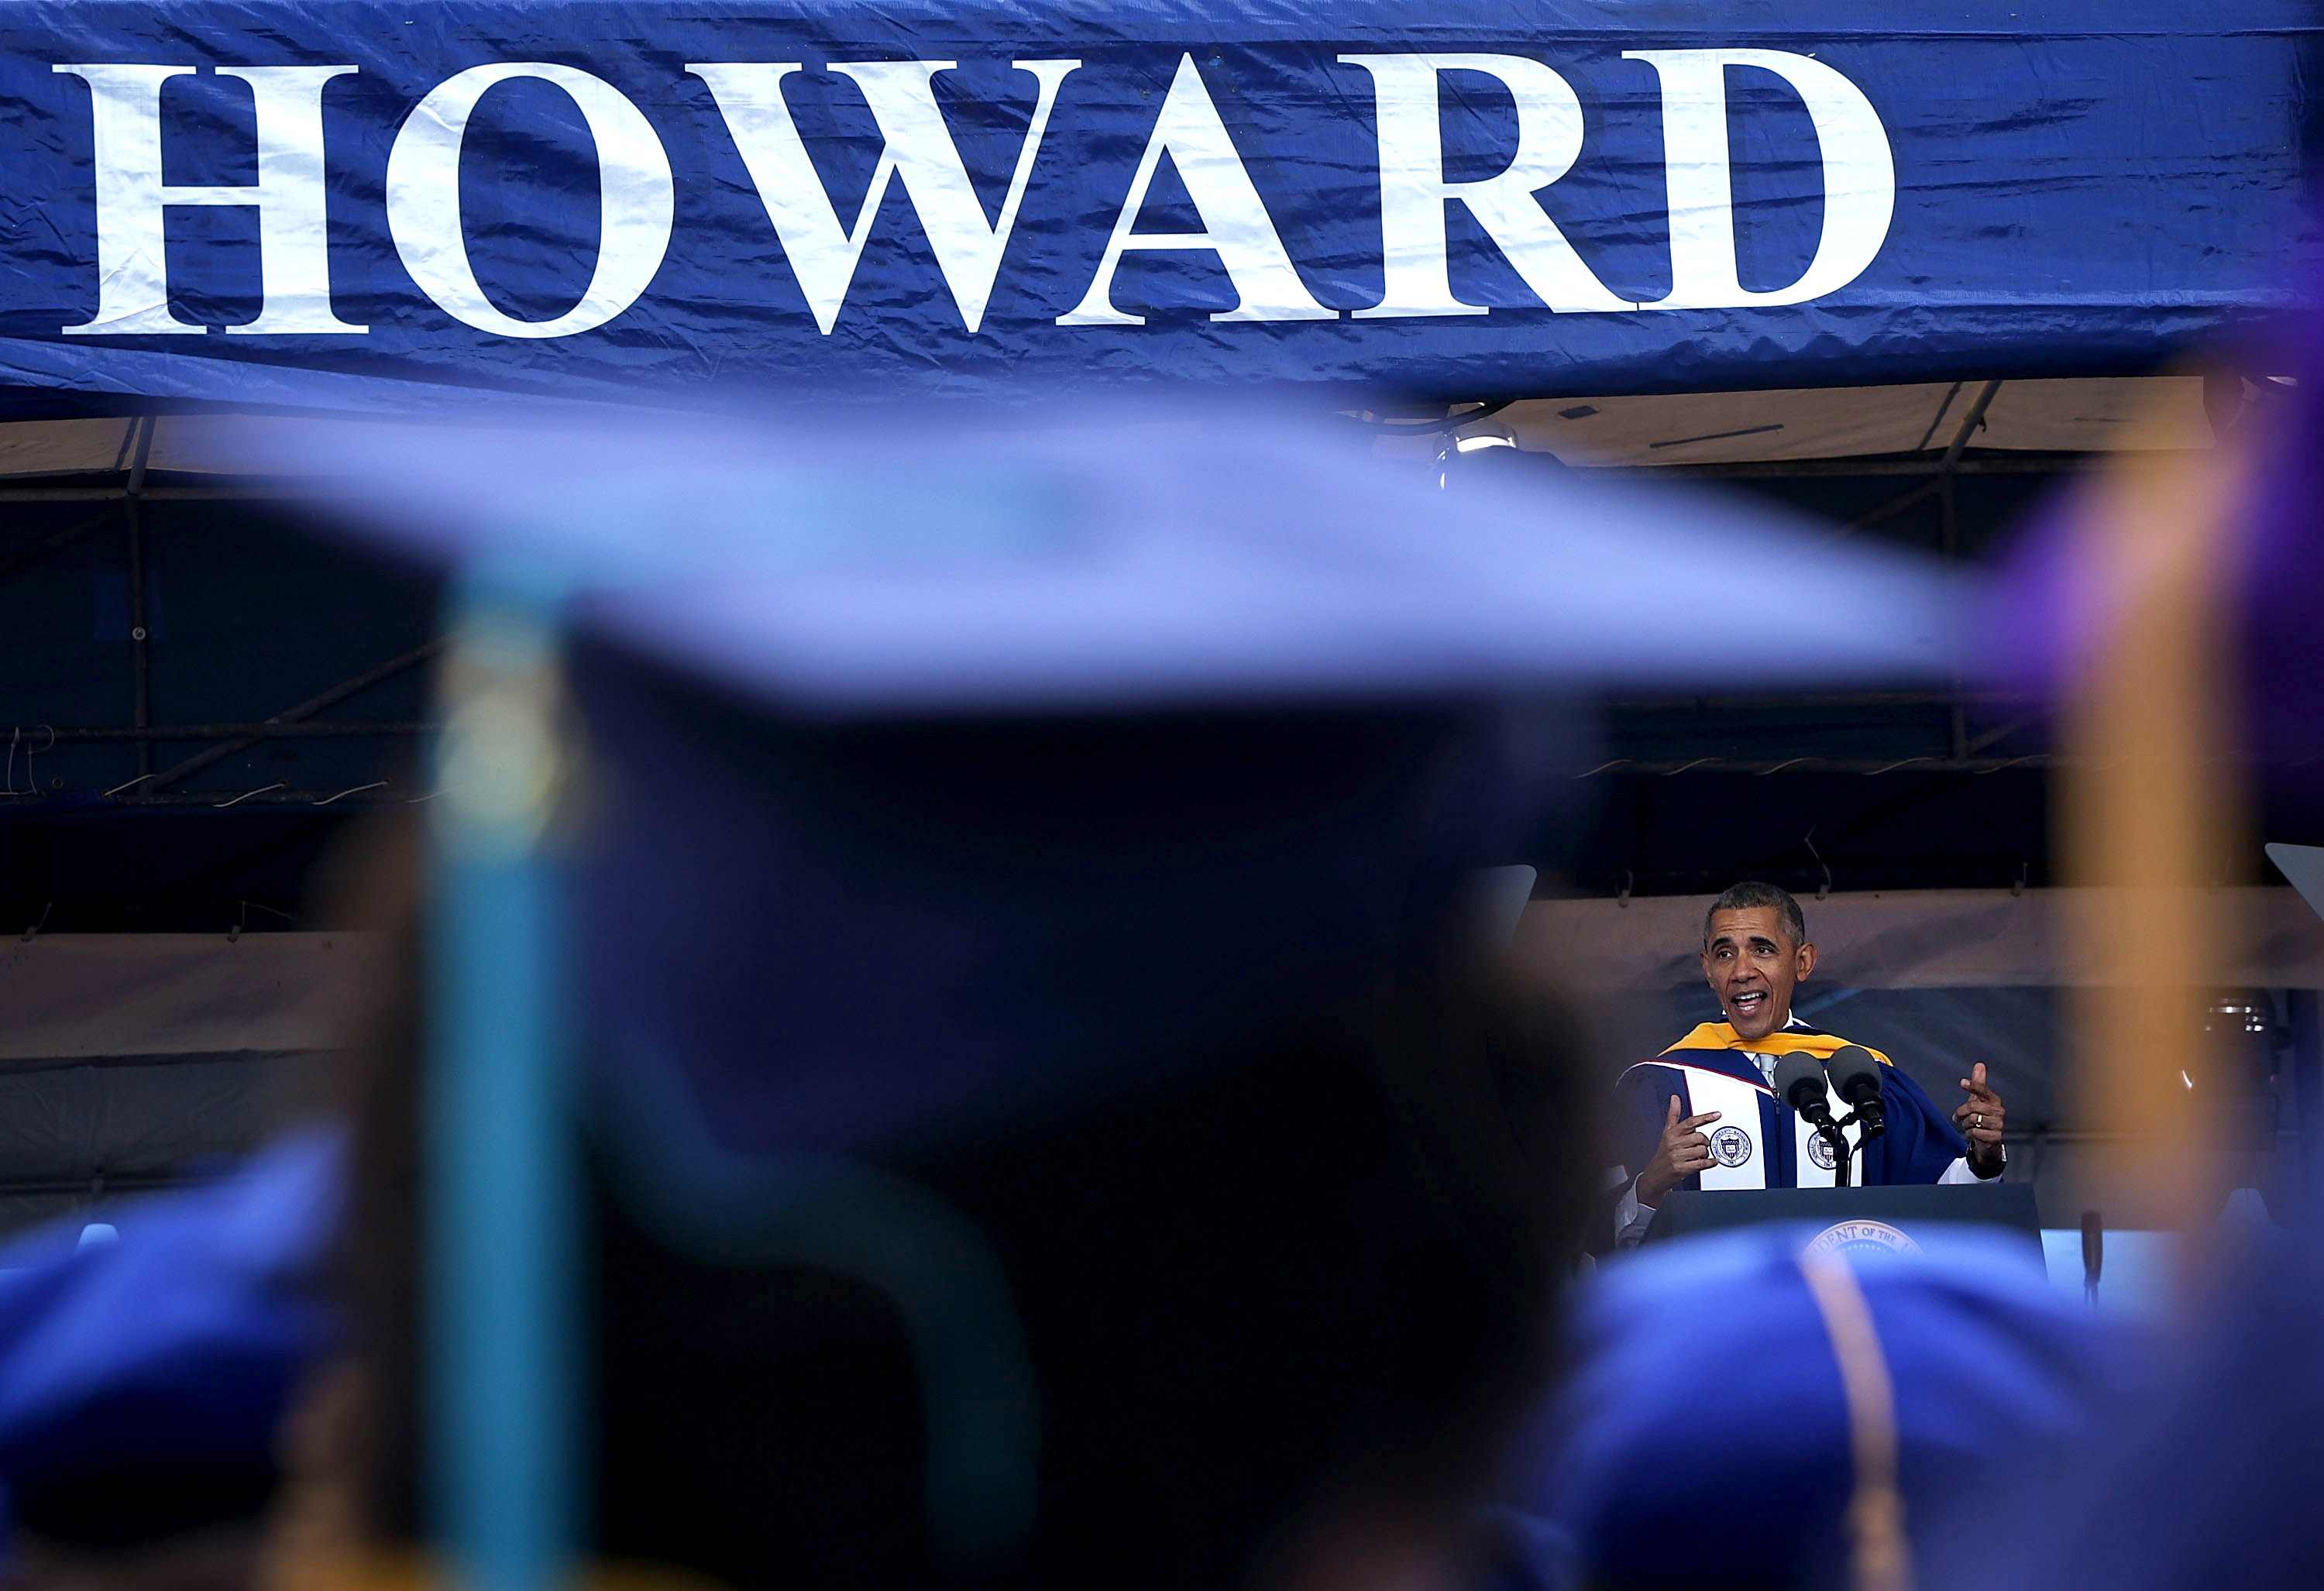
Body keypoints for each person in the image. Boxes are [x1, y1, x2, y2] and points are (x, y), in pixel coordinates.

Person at [1601, 882, 2007, 1250]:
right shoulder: (1664, 1084)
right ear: (1708, 969)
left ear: (1803, 962)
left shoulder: (1863, 1079)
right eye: (1725, 954)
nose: (1741, 971)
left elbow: (1942, 1211)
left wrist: (1984, 1156)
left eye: (1762, 949)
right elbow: (1595, 1240)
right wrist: (1649, 1186)